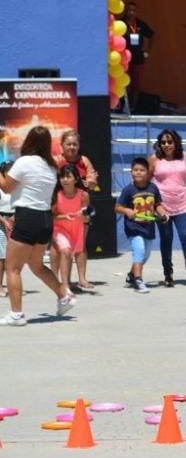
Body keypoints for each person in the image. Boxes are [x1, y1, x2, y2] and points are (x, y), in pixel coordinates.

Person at [0, 127, 76, 324]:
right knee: (36, 265)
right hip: (44, 219)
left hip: (27, 217)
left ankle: (16, 314)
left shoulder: (24, 162)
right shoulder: (50, 166)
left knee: (12, 267)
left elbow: (7, 188)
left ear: (29, 141)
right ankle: (63, 295)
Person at [149, 129, 186, 288]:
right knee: (166, 239)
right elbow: (146, 181)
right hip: (162, 207)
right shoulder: (154, 159)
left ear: (176, 142)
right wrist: (152, 204)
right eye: (163, 142)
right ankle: (168, 274)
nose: (166, 145)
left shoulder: (185, 157)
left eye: (169, 142)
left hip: (183, 204)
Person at [115, 157, 166, 294]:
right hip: (133, 227)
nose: (138, 173)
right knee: (139, 250)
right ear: (131, 172)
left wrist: (163, 213)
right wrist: (127, 211)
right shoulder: (128, 190)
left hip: (148, 228)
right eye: (135, 170)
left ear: (148, 172)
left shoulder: (153, 188)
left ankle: (132, 275)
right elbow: (117, 207)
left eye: (141, 170)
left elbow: (157, 205)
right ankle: (138, 280)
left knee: (146, 255)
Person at [56, 130, 98, 289]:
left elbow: (92, 181)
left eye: (75, 144)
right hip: (61, 208)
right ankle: (60, 280)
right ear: (62, 146)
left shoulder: (84, 160)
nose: (72, 147)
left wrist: (90, 182)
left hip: (80, 206)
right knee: (60, 248)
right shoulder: (57, 160)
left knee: (80, 245)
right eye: (69, 144)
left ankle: (82, 279)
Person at [51, 165, 90, 292]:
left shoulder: (83, 195)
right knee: (66, 251)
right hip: (59, 228)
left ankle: (68, 281)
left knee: (73, 253)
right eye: (62, 177)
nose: (65, 180)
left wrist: (85, 218)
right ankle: (65, 286)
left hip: (76, 229)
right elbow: (52, 215)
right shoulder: (56, 195)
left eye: (68, 177)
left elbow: (87, 215)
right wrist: (64, 217)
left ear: (76, 179)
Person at [123, 1, 154, 110]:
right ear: (125, 10)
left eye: (133, 10)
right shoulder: (121, 23)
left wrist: (147, 51)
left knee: (136, 85)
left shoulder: (140, 24)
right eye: (129, 10)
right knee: (124, 84)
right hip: (124, 58)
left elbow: (152, 35)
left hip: (138, 58)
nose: (131, 12)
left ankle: (133, 108)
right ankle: (124, 107)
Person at [0, 162, 13, 298]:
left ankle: (12, 285)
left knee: (13, 258)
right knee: (1, 257)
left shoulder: (18, 189)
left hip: (15, 222)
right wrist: (4, 221)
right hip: (1, 223)